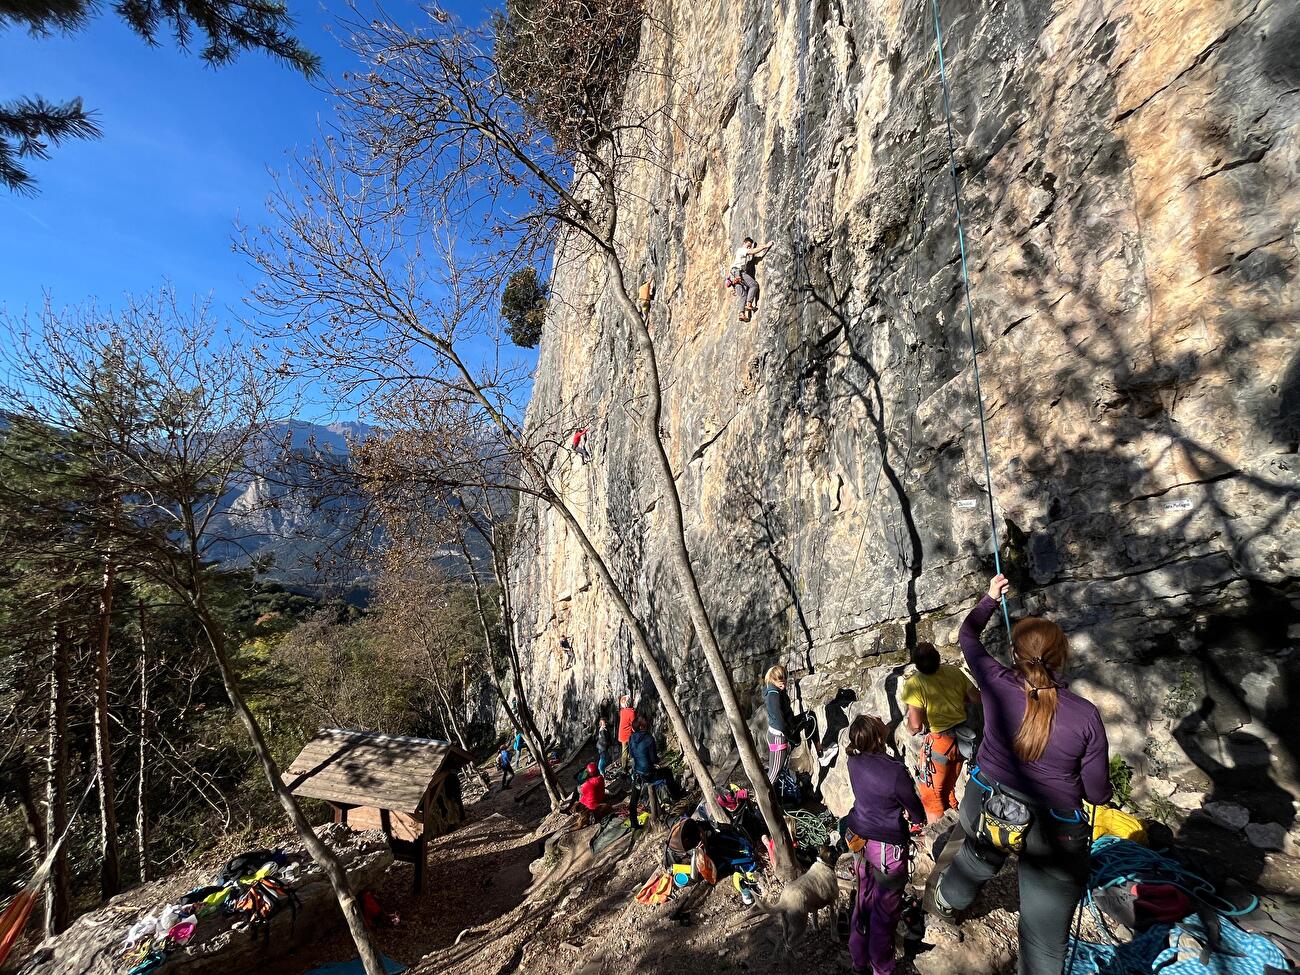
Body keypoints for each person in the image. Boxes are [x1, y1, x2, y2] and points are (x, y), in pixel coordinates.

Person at [927, 574, 1112, 975]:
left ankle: (946, 902)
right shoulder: (1085, 716)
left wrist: (990, 599)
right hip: (1056, 826)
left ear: (1015, 655)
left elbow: (967, 636)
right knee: (1045, 936)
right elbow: (1097, 793)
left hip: (988, 795)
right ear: (1061, 659)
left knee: (977, 857)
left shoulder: (996, 681)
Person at [844, 714, 926, 975]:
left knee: (863, 902)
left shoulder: (853, 762)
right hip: (887, 849)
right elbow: (916, 812)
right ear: (879, 737)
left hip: (860, 840)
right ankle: (882, 969)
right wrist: (914, 818)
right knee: (884, 913)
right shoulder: (894, 771)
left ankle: (859, 962)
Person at [902, 642, 981, 822]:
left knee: (931, 795)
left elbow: (915, 725)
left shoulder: (915, 684)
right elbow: (976, 698)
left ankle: (939, 837)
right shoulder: (953, 672)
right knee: (948, 787)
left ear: (916, 664)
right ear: (938, 658)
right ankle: (955, 821)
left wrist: (909, 728)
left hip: (939, 742)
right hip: (962, 739)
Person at [626, 716, 682, 827]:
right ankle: (677, 796)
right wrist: (657, 761)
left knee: (634, 798)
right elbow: (653, 759)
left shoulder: (631, 738)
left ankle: (633, 823)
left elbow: (632, 755)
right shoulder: (649, 738)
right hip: (648, 774)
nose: (647, 725)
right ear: (642, 726)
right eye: (645, 723)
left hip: (637, 773)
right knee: (667, 772)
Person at [764, 664, 813, 784]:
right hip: (778, 736)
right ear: (773, 680)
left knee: (810, 716)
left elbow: (787, 716)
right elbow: (780, 723)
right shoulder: (773, 696)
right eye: (780, 683)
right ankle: (762, 801)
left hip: (782, 732)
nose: (783, 685)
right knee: (774, 772)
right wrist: (792, 738)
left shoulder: (778, 691)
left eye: (785, 682)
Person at [731, 236, 773, 322]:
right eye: (748, 245)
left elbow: (756, 256)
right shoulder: (741, 250)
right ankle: (749, 303)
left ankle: (741, 313)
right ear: (744, 243)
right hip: (737, 272)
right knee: (754, 285)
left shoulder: (745, 256)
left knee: (743, 295)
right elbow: (751, 252)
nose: (749, 247)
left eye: (750, 246)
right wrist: (766, 246)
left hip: (734, 274)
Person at [573, 761, 611, 827]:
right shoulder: (601, 778)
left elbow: (581, 790)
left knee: (577, 789)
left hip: (591, 805)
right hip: (600, 798)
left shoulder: (588, 784)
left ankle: (577, 803)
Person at [617, 694, 636, 769]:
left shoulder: (622, 712)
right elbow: (633, 724)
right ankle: (632, 766)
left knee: (624, 751)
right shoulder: (631, 712)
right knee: (632, 750)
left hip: (622, 734)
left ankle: (624, 767)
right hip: (629, 735)